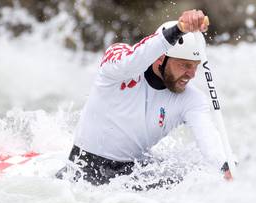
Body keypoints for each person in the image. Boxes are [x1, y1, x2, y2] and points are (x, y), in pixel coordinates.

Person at [57, 10, 233, 186]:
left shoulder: (192, 99)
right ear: (160, 58)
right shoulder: (119, 67)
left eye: (195, 66)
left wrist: (225, 167)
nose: (192, 74)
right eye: (185, 65)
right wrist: (179, 29)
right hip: (83, 170)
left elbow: (209, 141)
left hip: (133, 173)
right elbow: (135, 58)